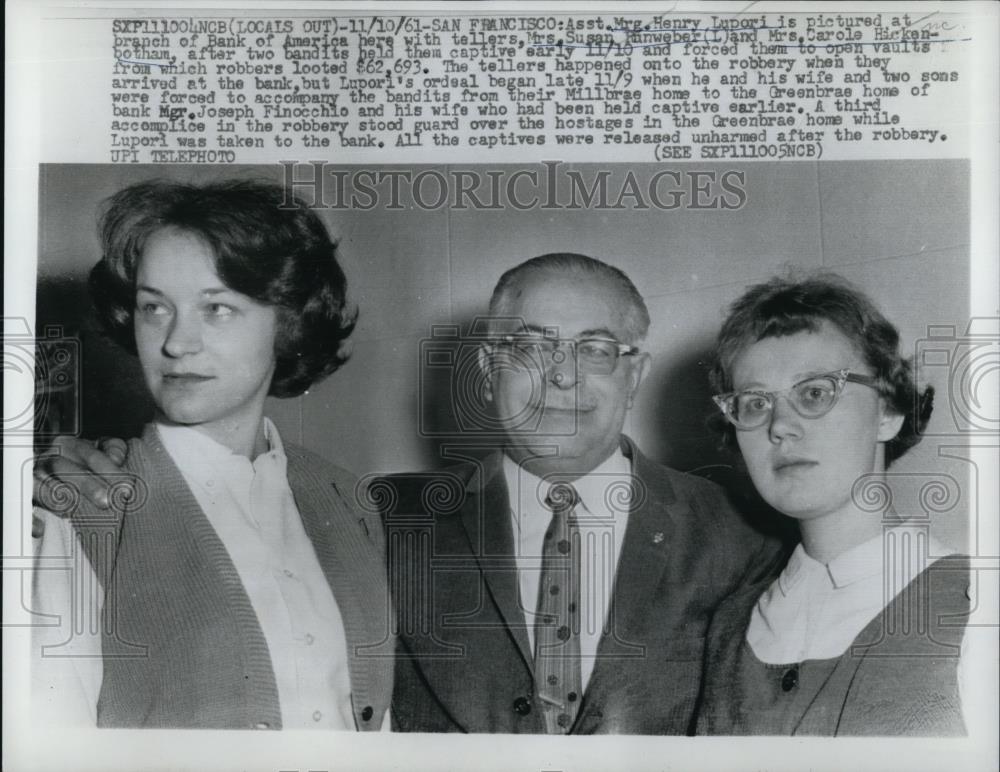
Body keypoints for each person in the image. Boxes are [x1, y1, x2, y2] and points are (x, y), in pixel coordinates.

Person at [31, 180, 393, 729]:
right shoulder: (83, 504)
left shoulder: (349, 504)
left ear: (288, 322)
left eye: (217, 309)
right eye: (155, 308)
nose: (176, 342)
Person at [377, 253, 786, 734]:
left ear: (633, 376)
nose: (563, 374)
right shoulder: (384, 520)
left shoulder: (741, 535)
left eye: (594, 349)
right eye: (530, 346)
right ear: (488, 369)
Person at [695, 274, 969, 736]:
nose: (780, 425)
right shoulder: (728, 626)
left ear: (888, 411)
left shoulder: (973, 606)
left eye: (815, 393)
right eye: (755, 402)